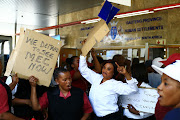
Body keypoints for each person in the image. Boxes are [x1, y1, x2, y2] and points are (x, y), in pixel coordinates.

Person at [79, 54, 138, 120]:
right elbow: (83, 70)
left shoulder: (115, 84)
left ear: (113, 73)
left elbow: (133, 89)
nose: (105, 70)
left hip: (111, 117)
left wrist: (125, 73)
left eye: (109, 69)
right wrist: (83, 54)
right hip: (96, 116)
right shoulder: (96, 78)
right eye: (104, 67)